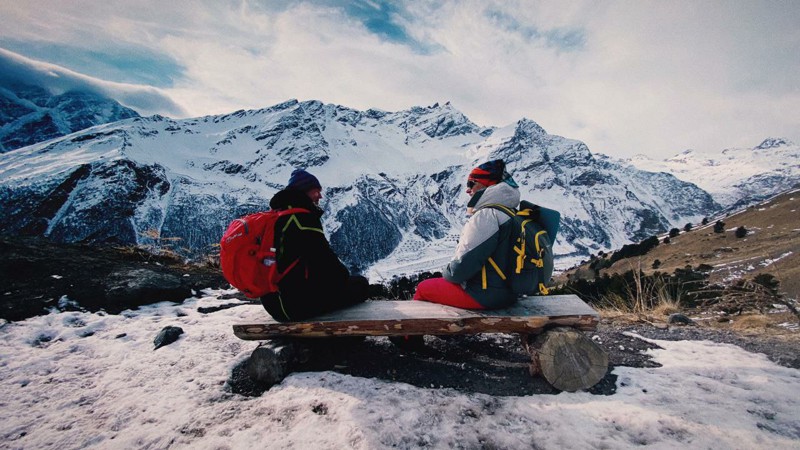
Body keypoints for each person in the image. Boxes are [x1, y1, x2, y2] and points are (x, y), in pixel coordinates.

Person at [260, 169, 369, 322]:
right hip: (295, 305)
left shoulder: (277, 215)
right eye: (316, 191)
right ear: (304, 191)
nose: (320, 196)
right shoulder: (301, 218)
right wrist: (345, 280)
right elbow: (325, 261)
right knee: (360, 285)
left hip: (273, 304)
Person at [413, 159, 520, 309]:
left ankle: (410, 331)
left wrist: (447, 272)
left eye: (471, 183)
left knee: (424, 288)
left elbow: (459, 272)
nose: (468, 190)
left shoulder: (487, 215)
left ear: (488, 185)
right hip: (509, 293)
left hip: (484, 295)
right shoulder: (510, 211)